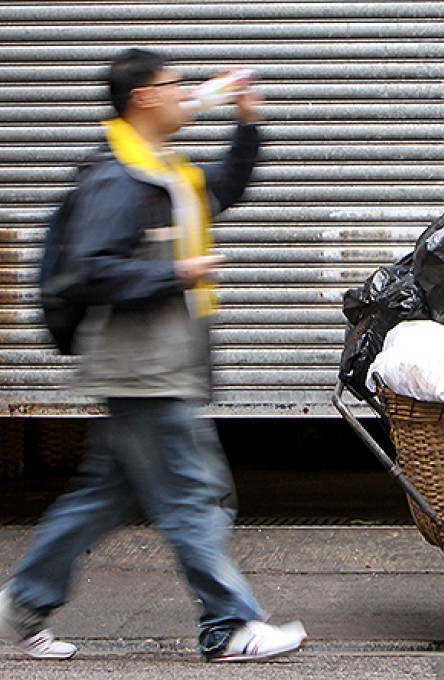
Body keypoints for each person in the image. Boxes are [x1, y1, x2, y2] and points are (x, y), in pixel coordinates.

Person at [0, 48, 307, 662]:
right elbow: (92, 269)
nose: (185, 93)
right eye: (174, 85)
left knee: (106, 494)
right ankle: (229, 625)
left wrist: (246, 126)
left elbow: (218, 193)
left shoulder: (160, 169)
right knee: (195, 494)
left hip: (158, 363)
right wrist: (178, 272)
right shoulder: (120, 177)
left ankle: (26, 597)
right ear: (144, 97)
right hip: (143, 369)